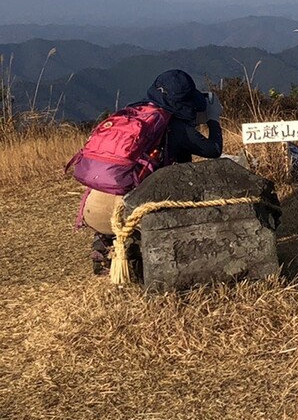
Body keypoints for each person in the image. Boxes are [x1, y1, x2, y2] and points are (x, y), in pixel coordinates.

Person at [81, 69, 223, 273]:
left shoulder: (132, 114)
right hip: (134, 214)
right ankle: (135, 248)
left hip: (92, 211)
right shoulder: (177, 128)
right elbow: (214, 150)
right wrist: (213, 120)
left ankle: (106, 244)